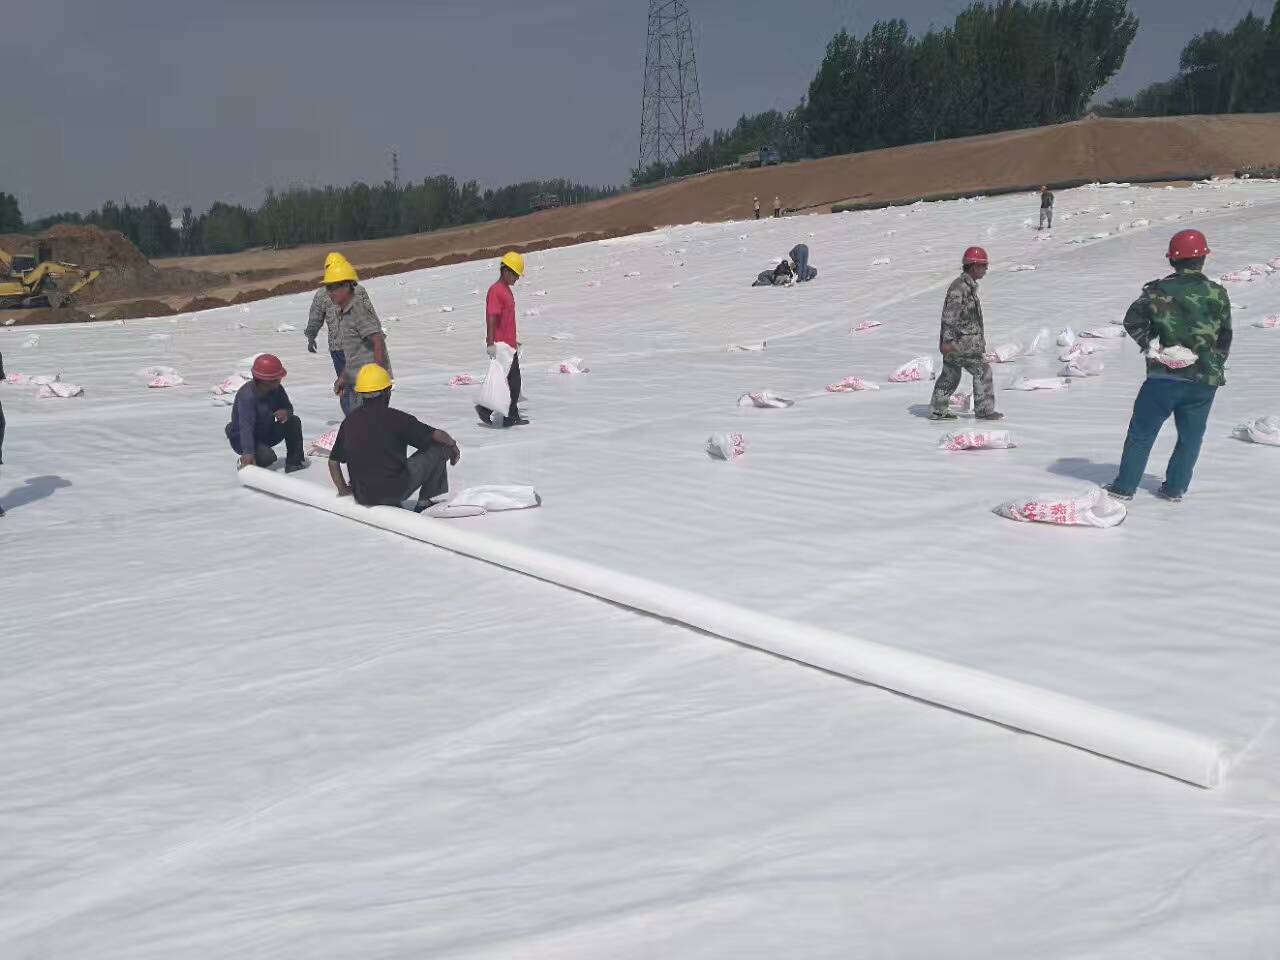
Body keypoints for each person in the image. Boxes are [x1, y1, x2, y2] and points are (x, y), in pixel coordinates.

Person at [1104, 229, 1231, 503]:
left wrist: (1153, 347)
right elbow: (1225, 336)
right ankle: (1175, 488)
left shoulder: (1156, 291)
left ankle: (1124, 487)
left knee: (1142, 433)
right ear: (1203, 259)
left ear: (1173, 260)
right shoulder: (1217, 293)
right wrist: (1213, 364)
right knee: (1190, 437)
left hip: (1164, 379)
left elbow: (1132, 321)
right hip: (1202, 381)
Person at [328, 363, 460, 513]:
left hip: (362, 495)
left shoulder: (349, 422)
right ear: (387, 392)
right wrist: (452, 445)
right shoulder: (397, 419)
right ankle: (425, 503)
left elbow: (333, 463)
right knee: (440, 446)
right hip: (393, 491)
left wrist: (344, 490)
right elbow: (438, 436)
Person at [929, 246, 1003, 422]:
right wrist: (947, 341)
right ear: (974, 266)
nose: (986, 269)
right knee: (983, 371)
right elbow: (949, 316)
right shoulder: (959, 288)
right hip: (961, 344)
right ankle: (984, 411)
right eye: (983, 265)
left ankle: (938, 410)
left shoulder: (966, 287)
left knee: (951, 374)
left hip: (959, 343)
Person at [305, 252, 372, 416]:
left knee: (346, 386)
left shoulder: (322, 293)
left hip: (339, 349)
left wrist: (311, 337)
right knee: (364, 382)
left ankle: (354, 421)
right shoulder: (358, 289)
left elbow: (315, 319)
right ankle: (366, 419)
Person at [326, 253, 390, 414]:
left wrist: (377, 379)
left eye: (333, 287)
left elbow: (377, 340)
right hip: (358, 384)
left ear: (347, 286)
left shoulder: (357, 310)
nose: (330, 293)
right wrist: (344, 377)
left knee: (365, 431)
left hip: (370, 389)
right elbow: (355, 354)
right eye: (328, 288)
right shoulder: (344, 312)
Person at [226, 354, 308, 471]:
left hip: (265, 432)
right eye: (278, 378)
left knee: (293, 421)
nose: (280, 380)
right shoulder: (247, 396)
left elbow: (288, 407)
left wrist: (285, 412)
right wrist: (248, 453)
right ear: (266, 381)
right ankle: (245, 463)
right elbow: (246, 427)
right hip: (242, 439)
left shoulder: (277, 389)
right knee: (267, 458)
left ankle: (294, 463)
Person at [479, 251, 527, 427]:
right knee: (512, 383)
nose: (517, 278)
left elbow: (506, 319)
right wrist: (491, 343)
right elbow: (492, 317)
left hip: (509, 343)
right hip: (500, 345)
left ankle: (506, 414)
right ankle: (491, 411)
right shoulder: (496, 291)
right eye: (515, 274)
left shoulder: (505, 290)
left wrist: (514, 339)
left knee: (507, 382)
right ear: (506, 271)